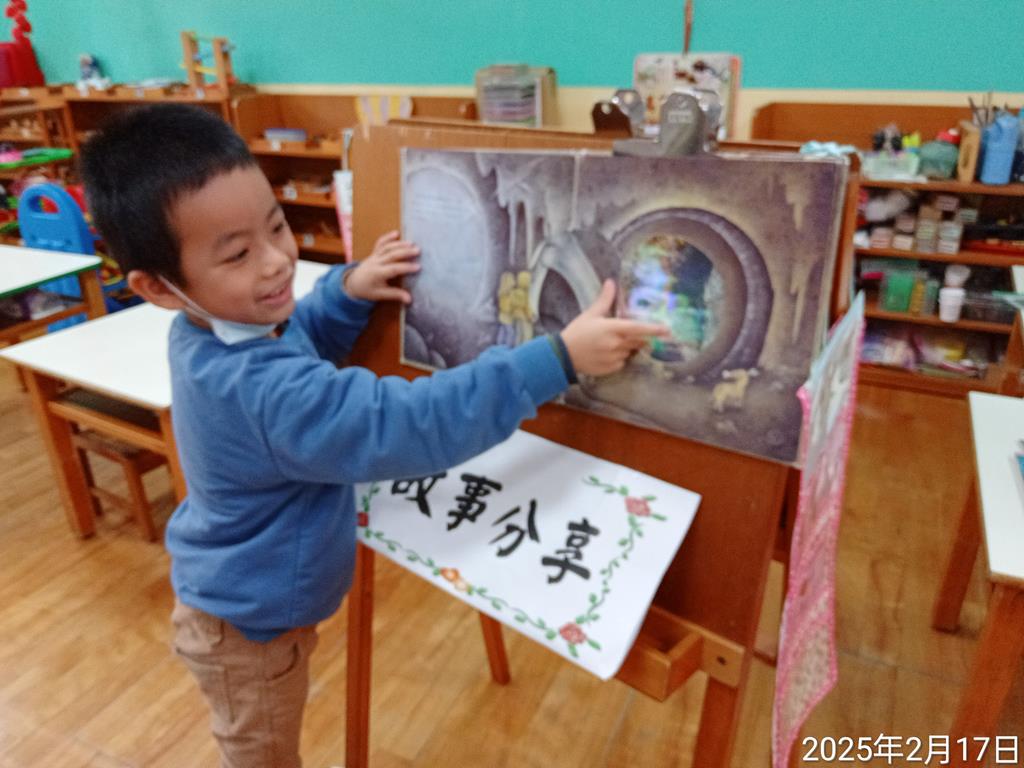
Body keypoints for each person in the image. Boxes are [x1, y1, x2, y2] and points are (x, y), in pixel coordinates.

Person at [79, 103, 666, 768]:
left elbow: (296, 337)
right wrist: (555, 360)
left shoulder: (215, 327)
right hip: (248, 630)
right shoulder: (257, 390)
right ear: (159, 287)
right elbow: (402, 423)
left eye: (277, 225)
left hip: (251, 603)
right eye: (238, 253)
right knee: (261, 757)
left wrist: (346, 292)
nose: (276, 263)